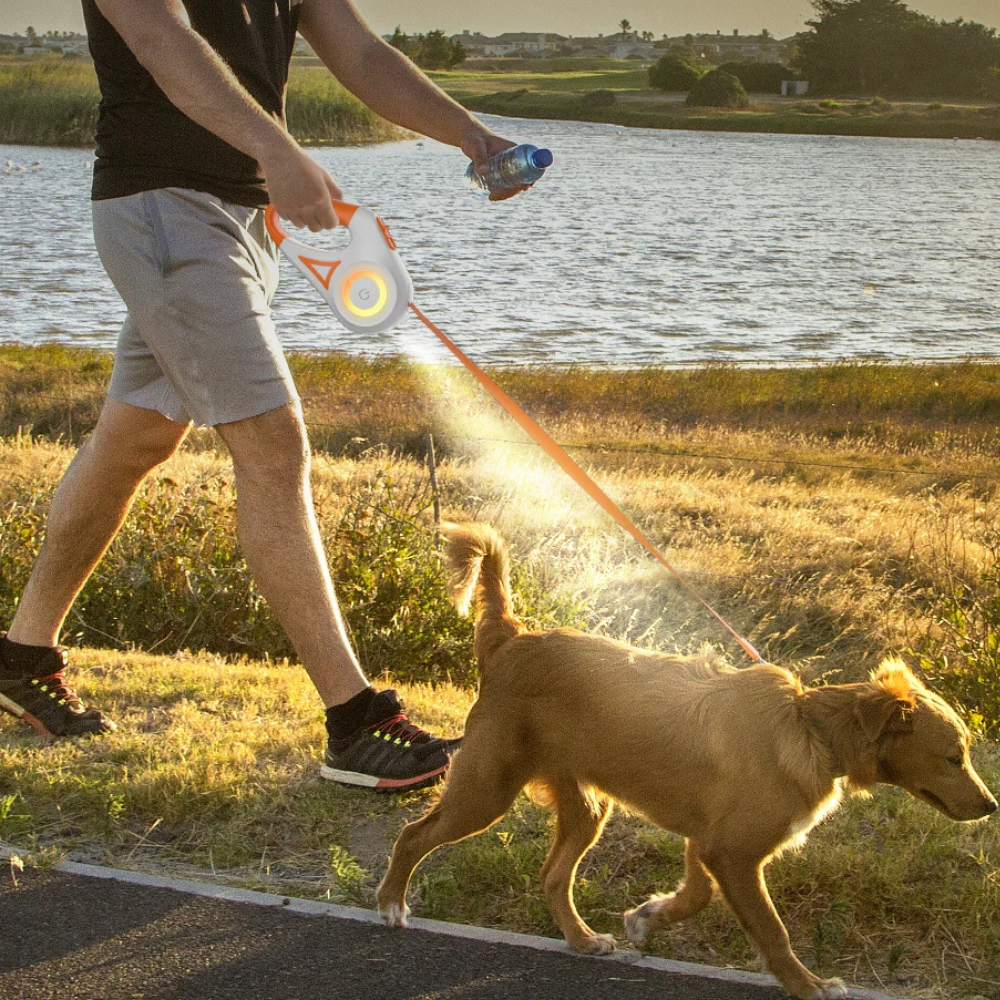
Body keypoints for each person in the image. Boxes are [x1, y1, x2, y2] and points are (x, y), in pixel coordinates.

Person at [0, 0, 528, 792]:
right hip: (164, 206)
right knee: (273, 444)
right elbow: (161, 39)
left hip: (241, 217)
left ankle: (20, 658)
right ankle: (354, 721)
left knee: (135, 438)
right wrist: (281, 151)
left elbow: (358, 51)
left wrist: (471, 135)